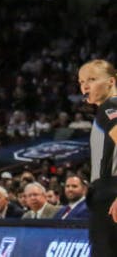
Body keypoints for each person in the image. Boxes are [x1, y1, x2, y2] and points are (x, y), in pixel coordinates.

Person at [79, 59, 117, 253]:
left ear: (111, 82)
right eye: (81, 81)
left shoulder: (109, 107)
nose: (85, 86)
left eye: (92, 79)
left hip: (110, 195)